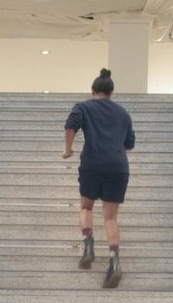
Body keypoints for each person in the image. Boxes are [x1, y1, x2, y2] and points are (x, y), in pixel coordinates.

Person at [63, 68, 135, 288]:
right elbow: (129, 143)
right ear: (111, 93)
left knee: (86, 206)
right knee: (110, 217)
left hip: (92, 164)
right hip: (118, 167)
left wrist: (68, 149)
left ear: (92, 90)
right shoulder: (123, 113)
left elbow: (71, 124)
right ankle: (114, 261)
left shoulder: (83, 107)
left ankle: (88, 245)